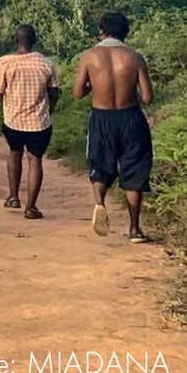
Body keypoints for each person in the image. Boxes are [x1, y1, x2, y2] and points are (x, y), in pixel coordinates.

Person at [72, 12, 154, 242]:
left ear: (101, 31)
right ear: (126, 32)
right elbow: (147, 97)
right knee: (135, 169)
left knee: (101, 165)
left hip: (101, 117)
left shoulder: (89, 56)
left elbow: (77, 93)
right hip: (131, 118)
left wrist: (94, 86)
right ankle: (135, 229)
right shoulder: (135, 58)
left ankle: (99, 203)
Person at [0, 24, 60, 219]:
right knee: (35, 160)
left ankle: (13, 197)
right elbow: (54, 92)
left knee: (14, 153)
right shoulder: (46, 63)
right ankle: (31, 207)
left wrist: (7, 103)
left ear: (15, 40)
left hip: (12, 120)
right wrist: (49, 107)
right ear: (35, 41)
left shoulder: (4, 63)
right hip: (39, 121)